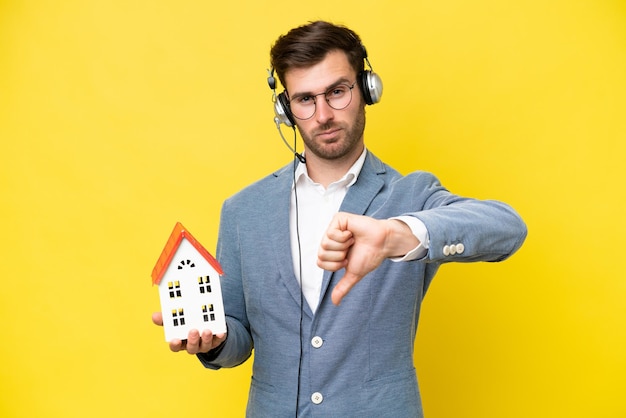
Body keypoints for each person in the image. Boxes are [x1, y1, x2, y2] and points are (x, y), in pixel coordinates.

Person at [152, 20, 527, 417]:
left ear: (366, 90)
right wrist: (213, 343)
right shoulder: (243, 210)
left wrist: (398, 233)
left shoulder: (411, 195)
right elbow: (237, 335)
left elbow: (508, 229)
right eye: (305, 99)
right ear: (286, 109)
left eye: (337, 92)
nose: (323, 114)